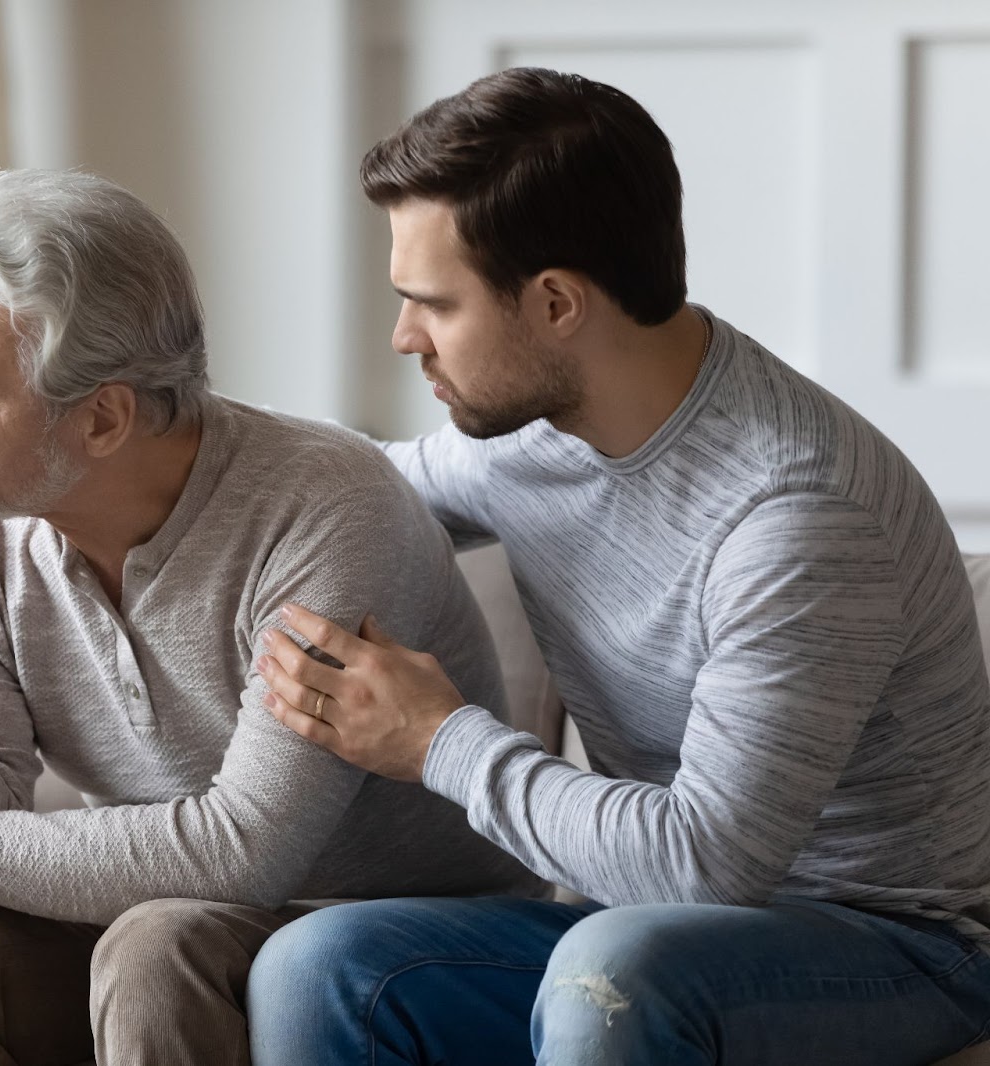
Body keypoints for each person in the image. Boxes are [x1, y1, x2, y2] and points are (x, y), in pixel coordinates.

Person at [246, 67, 990, 1065]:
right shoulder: (524, 436)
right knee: (318, 965)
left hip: (897, 945)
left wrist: (436, 740)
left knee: (619, 966)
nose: (402, 338)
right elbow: (346, 490)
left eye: (434, 304)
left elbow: (703, 862)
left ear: (555, 302)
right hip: (635, 923)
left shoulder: (795, 515)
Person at [0, 168, 540, 1066]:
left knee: (157, 949)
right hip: (170, 919)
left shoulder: (323, 506)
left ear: (104, 418)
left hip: (397, 939)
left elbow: (247, 849)